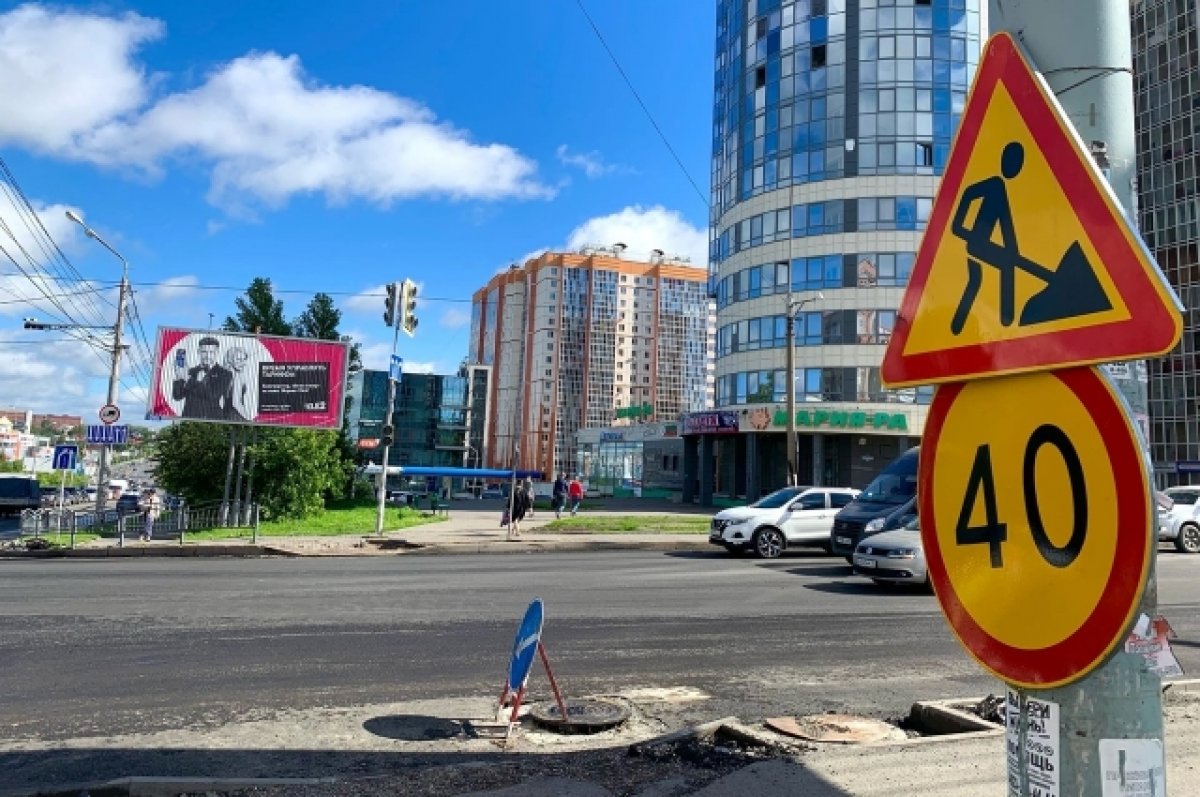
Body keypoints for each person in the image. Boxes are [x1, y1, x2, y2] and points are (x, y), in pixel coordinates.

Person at [172, 337, 233, 420]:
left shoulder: (225, 373)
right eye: (204, 352)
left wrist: (188, 379)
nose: (208, 356)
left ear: (217, 352)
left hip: (212, 421)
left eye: (211, 352)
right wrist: (179, 377)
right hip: (189, 418)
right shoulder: (190, 371)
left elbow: (213, 395)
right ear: (198, 352)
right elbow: (177, 396)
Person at [223, 346, 255, 422]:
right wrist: (249, 419)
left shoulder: (226, 375)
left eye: (244, 359)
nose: (242, 363)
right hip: (236, 416)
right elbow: (236, 403)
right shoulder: (237, 376)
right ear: (231, 360)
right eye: (238, 359)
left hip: (226, 415)